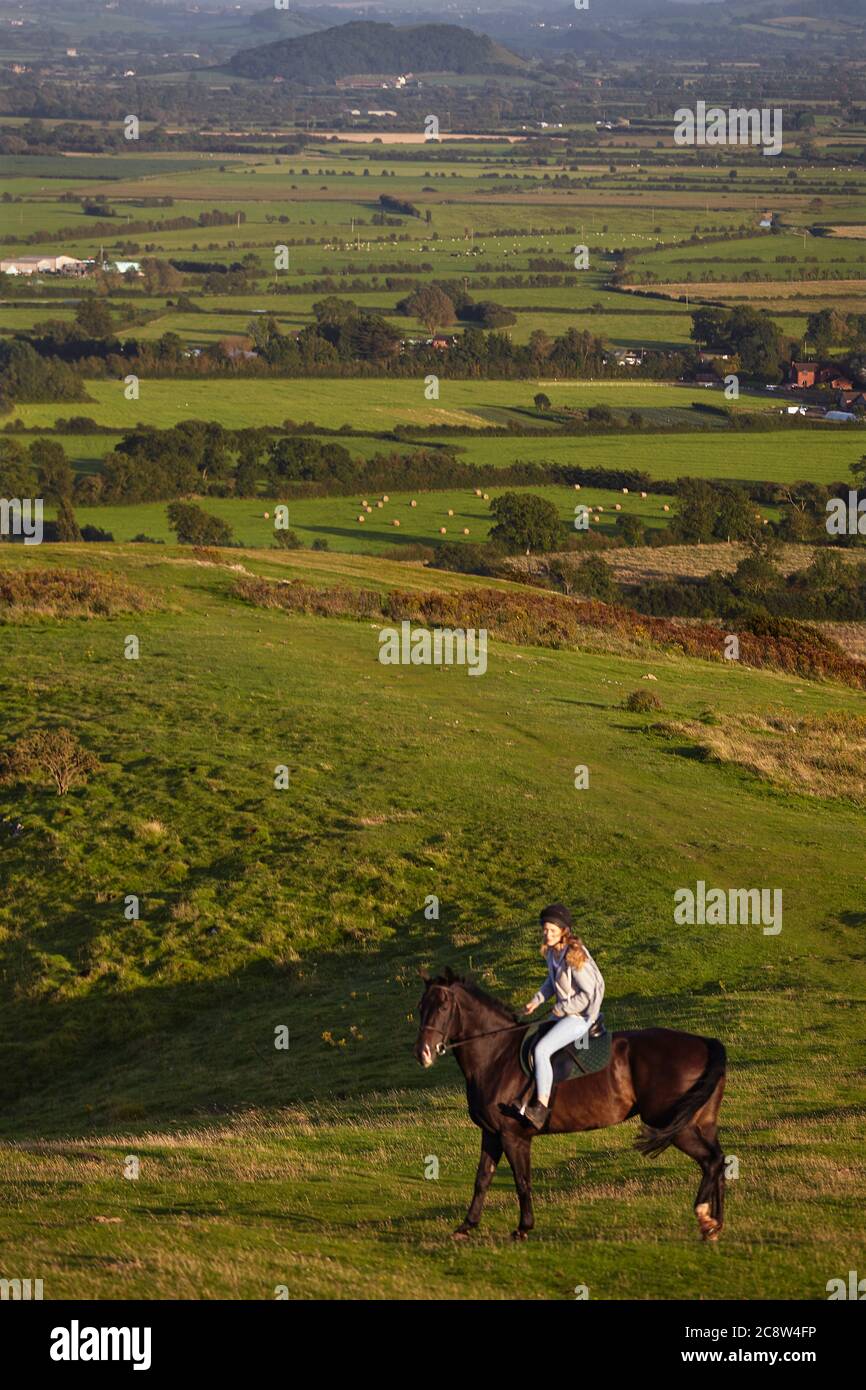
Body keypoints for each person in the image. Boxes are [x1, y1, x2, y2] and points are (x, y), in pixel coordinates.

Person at [518, 903, 604, 1129]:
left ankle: (541, 1109)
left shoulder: (574, 956)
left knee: (542, 1049)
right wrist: (536, 1001)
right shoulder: (552, 953)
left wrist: (562, 1009)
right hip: (565, 1013)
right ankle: (526, 1094)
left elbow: (588, 995)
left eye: (551, 931)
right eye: (544, 930)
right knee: (531, 1037)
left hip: (581, 1016)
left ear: (563, 932)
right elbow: (551, 982)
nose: (546, 935)